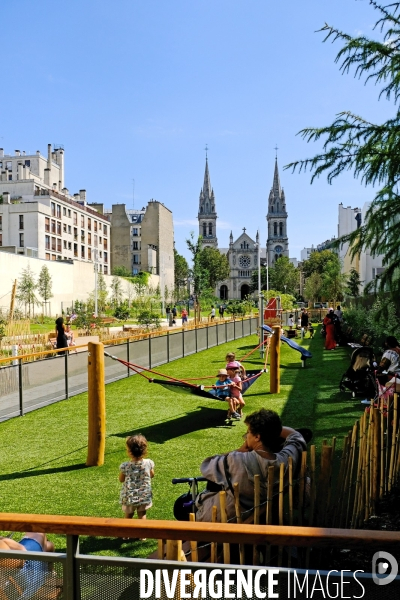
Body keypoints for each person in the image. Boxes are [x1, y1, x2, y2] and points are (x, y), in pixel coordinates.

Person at [195, 409, 307, 522]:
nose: (246, 436)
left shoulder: (236, 459)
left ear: (257, 437)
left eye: (248, 432)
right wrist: (272, 429)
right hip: (263, 516)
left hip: (230, 517)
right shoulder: (286, 460)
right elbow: (296, 437)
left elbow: (207, 466)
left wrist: (240, 450)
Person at [1, 533, 58, 600]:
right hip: (27, 583)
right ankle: (50, 570)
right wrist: (4, 540)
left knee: (46, 544)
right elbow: (21, 557)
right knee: (38, 533)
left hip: (17, 587)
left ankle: (48, 552)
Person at [119, 435, 155, 538]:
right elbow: (152, 475)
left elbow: (121, 479)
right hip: (144, 495)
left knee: (128, 515)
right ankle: (142, 535)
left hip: (129, 495)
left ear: (129, 451)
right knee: (142, 514)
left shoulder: (125, 466)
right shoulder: (149, 463)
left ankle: (126, 535)